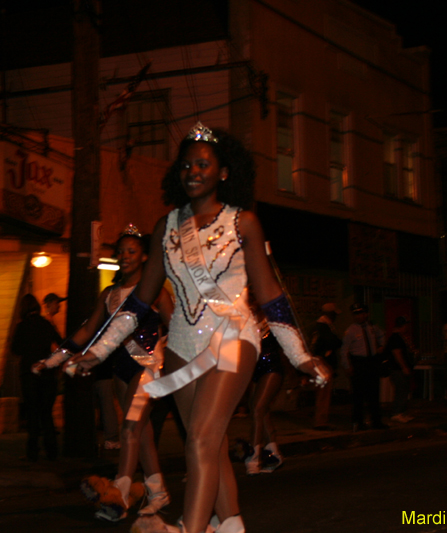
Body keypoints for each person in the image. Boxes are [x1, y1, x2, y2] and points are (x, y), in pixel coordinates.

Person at [67, 123, 330, 533]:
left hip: (233, 338)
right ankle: (230, 525)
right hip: (183, 346)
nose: (192, 171)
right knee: (211, 445)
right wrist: (97, 352)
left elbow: (271, 294)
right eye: (186, 164)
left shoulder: (244, 223)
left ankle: (191, 527)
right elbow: (140, 301)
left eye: (203, 164)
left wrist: (301, 356)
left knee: (201, 441)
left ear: (223, 172)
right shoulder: (166, 226)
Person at [36, 226, 174, 521]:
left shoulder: (156, 292)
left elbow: (177, 329)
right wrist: (53, 359)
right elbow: (87, 331)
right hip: (120, 369)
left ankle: (120, 495)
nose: (124, 256)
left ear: (145, 257)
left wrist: (172, 360)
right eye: (120, 251)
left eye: (131, 251)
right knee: (143, 433)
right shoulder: (109, 294)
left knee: (128, 429)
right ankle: (158, 492)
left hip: (148, 367)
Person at [12, 294, 63, 461]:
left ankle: (32, 451)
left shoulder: (22, 327)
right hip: (47, 372)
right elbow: (61, 343)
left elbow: (16, 349)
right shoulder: (46, 324)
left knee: (33, 412)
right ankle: (52, 450)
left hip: (29, 373)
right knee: (46, 413)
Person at [244, 312, 285, 475]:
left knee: (257, 409)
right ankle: (274, 454)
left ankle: (253, 458)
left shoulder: (273, 321)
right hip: (251, 369)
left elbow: (287, 346)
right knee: (262, 411)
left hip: (271, 366)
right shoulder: (241, 321)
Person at [341, 303, 386, 432]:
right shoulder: (351, 330)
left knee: (374, 394)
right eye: (355, 314)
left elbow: (382, 335)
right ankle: (357, 422)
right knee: (358, 395)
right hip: (359, 363)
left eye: (361, 313)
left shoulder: (372, 327)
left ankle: (376, 421)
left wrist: (381, 346)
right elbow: (344, 351)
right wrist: (347, 366)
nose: (358, 316)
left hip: (371, 362)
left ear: (366, 314)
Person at [310, 302, 342, 429]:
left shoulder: (317, 327)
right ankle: (321, 421)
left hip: (319, 361)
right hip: (323, 362)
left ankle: (320, 419)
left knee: (321, 392)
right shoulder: (324, 327)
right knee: (324, 393)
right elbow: (334, 342)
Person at [385, 316, 415, 423]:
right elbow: (397, 353)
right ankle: (396, 413)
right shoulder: (396, 338)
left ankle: (402, 412)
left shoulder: (401, 337)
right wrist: (404, 367)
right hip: (397, 369)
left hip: (400, 368)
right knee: (401, 390)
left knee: (404, 390)